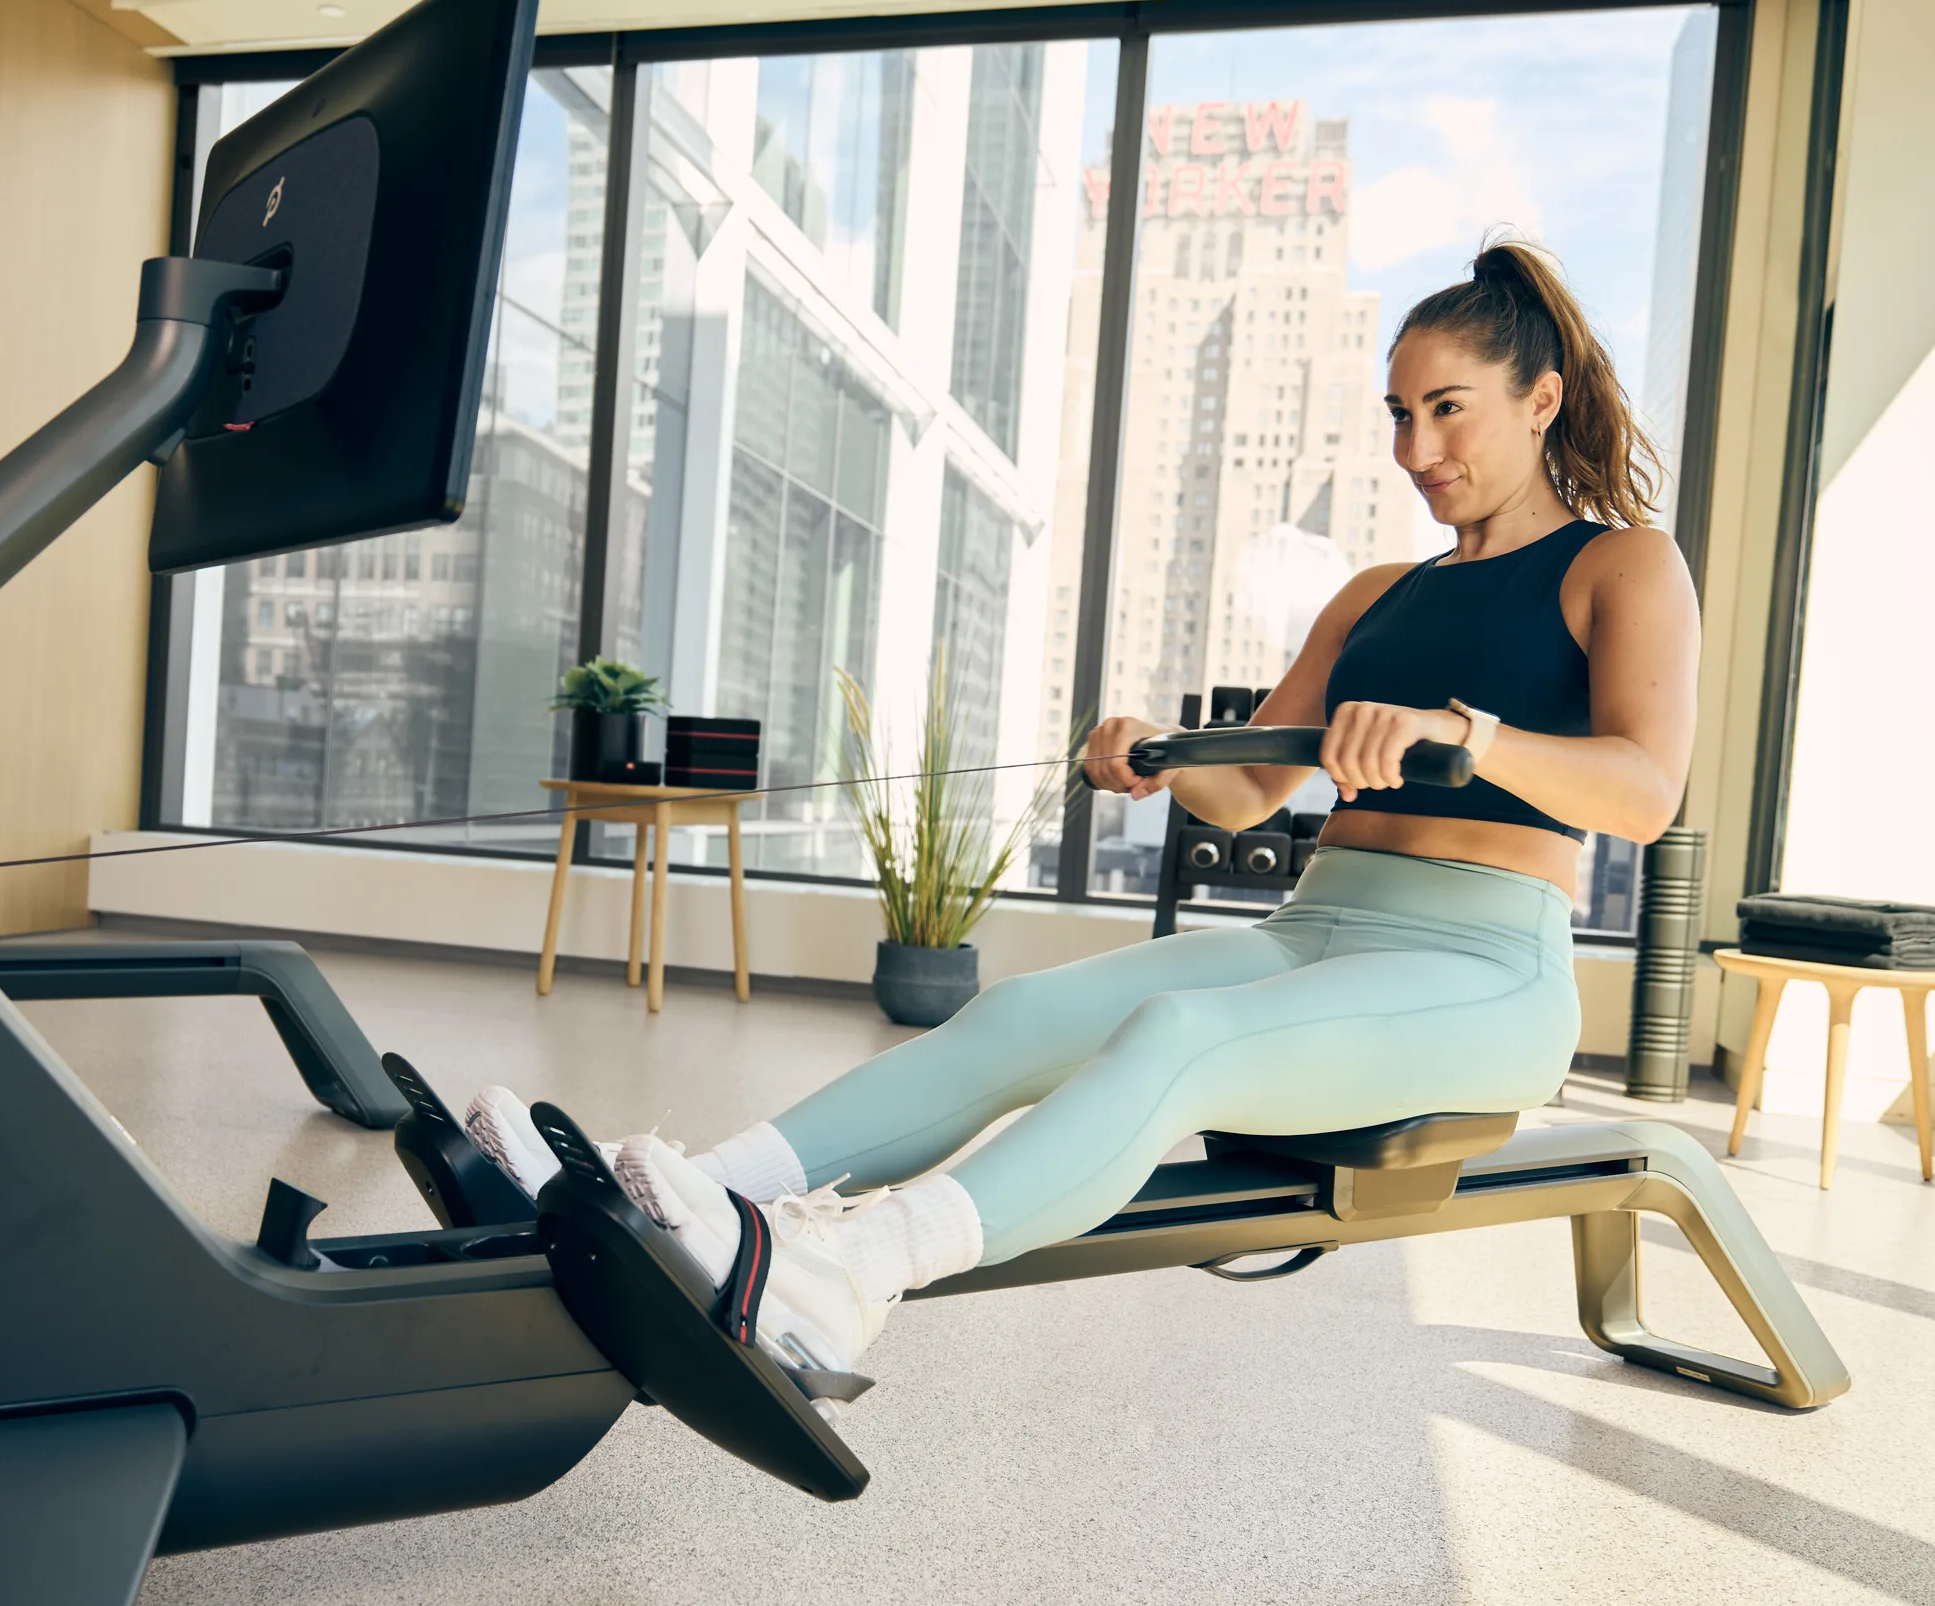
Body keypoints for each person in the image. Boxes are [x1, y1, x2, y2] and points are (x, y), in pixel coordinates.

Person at [468, 240, 1698, 1381]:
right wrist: (1156, 759)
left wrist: (1465, 731)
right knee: (1020, 1016)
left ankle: (852, 1275)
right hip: (1317, 928)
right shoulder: (1377, 591)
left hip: (1483, 966)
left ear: (1538, 402)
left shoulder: (1621, 562)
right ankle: (692, 1193)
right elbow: (1256, 787)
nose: (1416, 447)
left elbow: (1645, 795)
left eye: (1447, 410)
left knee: (1174, 1038)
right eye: (1398, 414)